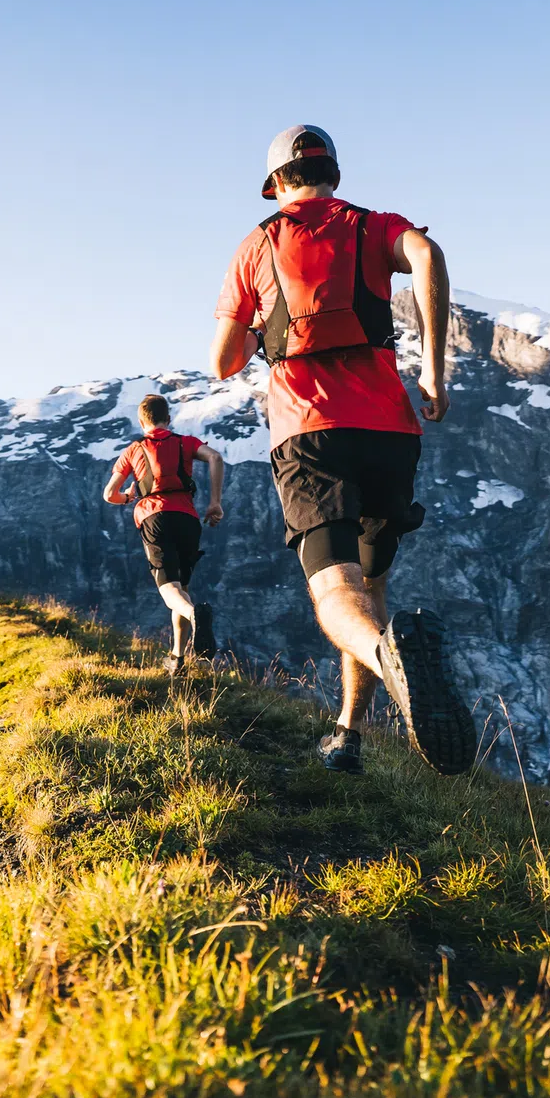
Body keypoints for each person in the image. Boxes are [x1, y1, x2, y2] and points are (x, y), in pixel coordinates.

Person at [208, 124, 476, 775]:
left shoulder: (256, 245)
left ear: (276, 185)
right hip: (390, 428)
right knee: (371, 587)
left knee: (335, 592)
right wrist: (435, 372)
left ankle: (390, 661)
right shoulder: (373, 225)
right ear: (333, 173)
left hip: (309, 432)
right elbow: (430, 258)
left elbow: (223, 362)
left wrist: (262, 325)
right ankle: (346, 735)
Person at [103, 393, 226, 675]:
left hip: (153, 517)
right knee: (182, 589)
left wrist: (128, 496)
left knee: (170, 590)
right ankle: (177, 658)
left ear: (141, 421)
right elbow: (216, 458)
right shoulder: (186, 442)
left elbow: (109, 494)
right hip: (187, 518)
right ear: (168, 420)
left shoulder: (134, 449)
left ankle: (195, 615)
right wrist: (215, 502)